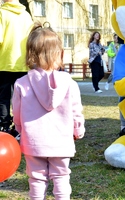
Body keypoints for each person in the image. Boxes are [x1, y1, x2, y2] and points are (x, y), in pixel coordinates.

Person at [12, 22, 85, 199]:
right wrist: (78, 131)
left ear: (30, 54)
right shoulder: (70, 83)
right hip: (61, 141)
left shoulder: (21, 83)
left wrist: (22, 132)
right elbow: (76, 112)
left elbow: (18, 116)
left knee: (36, 179)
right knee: (61, 176)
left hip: (33, 141)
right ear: (59, 54)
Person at [0, 0, 34, 137]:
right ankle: (23, 128)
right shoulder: (27, 16)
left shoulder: (1, 13)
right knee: (22, 98)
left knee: (3, 98)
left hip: (4, 63)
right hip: (23, 64)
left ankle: (4, 127)